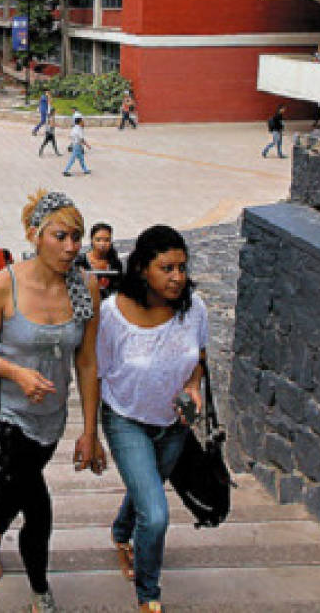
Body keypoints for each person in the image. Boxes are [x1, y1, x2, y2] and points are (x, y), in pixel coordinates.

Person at [0, 189, 104, 612]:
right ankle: (40, 591)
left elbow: (86, 363)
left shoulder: (86, 289)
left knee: (14, 490)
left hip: (51, 418)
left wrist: (89, 431)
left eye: (76, 237)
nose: (71, 247)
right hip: (5, 415)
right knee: (39, 508)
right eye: (60, 236)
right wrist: (17, 373)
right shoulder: (2, 285)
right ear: (34, 235)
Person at [97, 225, 208, 612]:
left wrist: (194, 387)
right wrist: (89, 434)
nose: (177, 277)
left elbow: (199, 359)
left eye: (181, 267)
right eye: (167, 268)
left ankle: (122, 532)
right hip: (125, 418)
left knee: (148, 492)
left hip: (174, 424)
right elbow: (95, 373)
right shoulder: (111, 315)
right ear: (143, 268)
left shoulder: (195, 308)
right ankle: (149, 596)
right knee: (157, 514)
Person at [77, 222, 123, 300]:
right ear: (92, 240)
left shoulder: (115, 263)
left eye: (107, 240)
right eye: (98, 240)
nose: (102, 244)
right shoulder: (80, 261)